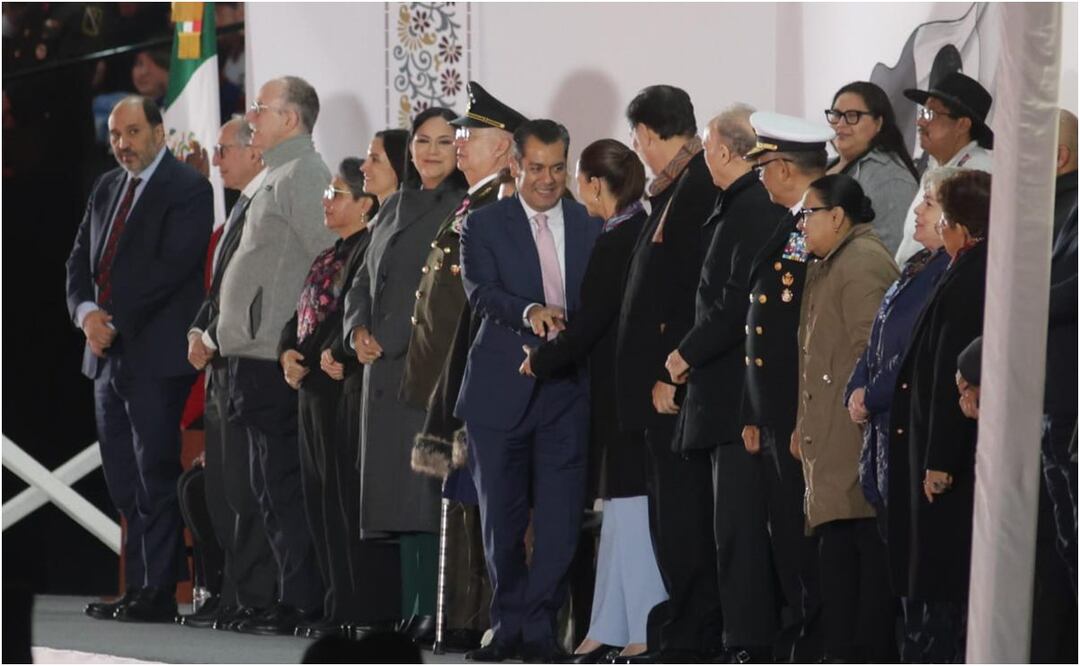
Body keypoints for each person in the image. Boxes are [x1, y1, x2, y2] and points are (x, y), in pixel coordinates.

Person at [455, 119, 601, 663]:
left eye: (557, 168)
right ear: (515, 165)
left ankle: (539, 630)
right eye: (536, 167)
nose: (546, 179)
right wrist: (530, 311)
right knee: (503, 524)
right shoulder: (484, 224)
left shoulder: (589, 225)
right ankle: (509, 623)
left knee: (562, 524)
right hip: (499, 393)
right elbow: (482, 292)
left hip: (566, 391)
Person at [66, 95, 212, 622]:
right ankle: (138, 585)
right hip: (105, 358)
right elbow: (78, 261)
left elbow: (170, 269)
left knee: (154, 472)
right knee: (123, 479)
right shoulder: (106, 187)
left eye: (131, 132)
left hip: (153, 356)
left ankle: (158, 590)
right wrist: (86, 315)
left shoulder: (190, 189)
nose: (122, 145)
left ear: (158, 131)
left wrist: (112, 321)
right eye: (114, 135)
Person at [516, 138, 660, 662]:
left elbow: (594, 321)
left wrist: (543, 359)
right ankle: (610, 621)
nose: (576, 189)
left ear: (597, 184)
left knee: (633, 506)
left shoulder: (618, 238)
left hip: (623, 393)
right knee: (620, 509)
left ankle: (644, 625)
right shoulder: (634, 228)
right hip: (620, 389)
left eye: (578, 178)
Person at [658, 104, 786, 662]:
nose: (702, 154)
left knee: (740, 531)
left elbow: (738, 301)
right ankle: (740, 635)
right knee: (726, 530)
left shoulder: (751, 207)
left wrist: (685, 352)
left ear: (727, 152)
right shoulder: (735, 205)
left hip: (738, 396)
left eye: (707, 144)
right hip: (724, 395)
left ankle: (750, 640)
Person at [407, 82, 527, 652]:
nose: (457, 143)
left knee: (482, 502)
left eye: (468, 135)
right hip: (447, 374)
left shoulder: (499, 206)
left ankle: (475, 613)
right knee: (461, 497)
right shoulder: (472, 201)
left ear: (503, 148)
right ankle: (457, 610)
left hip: (473, 373)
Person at [342, 107, 469, 645]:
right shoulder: (392, 205)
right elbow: (361, 283)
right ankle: (410, 605)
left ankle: (431, 608)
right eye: (423, 141)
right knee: (397, 498)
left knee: (426, 493)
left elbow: (442, 300)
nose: (432, 151)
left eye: (444, 141)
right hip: (379, 370)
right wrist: (356, 330)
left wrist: (389, 339)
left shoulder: (463, 207)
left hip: (426, 369)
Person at [216, 75, 334, 635]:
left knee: (285, 484)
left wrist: (296, 341)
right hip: (252, 356)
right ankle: (290, 595)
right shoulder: (277, 173)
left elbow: (328, 264)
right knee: (268, 486)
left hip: (276, 358)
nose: (251, 117)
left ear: (290, 119)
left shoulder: (306, 173)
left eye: (261, 108)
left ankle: (304, 601)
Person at [612, 85, 719, 663]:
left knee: (684, 517)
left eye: (637, 138)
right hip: (658, 388)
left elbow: (687, 295)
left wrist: (671, 372)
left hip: (673, 390)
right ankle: (683, 621)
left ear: (649, 135)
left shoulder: (697, 186)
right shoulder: (677, 187)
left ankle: (693, 630)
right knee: (670, 515)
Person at [792, 174, 899, 662]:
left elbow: (870, 356)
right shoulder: (831, 261)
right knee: (837, 565)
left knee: (856, 571)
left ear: (837, 216)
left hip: (854, 444)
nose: (801, 225)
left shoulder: (860, 263)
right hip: (831, 444)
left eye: (807, 214)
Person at [740, 111, 832, 662]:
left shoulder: (811, 229)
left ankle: (812, 640)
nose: (759, 178)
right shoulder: (791, 224)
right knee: (786, 534)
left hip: (796, 409)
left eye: (763, 166)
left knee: (803, 536)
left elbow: (803, 330)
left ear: (781, 167)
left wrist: (794, 414)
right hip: (774, 407)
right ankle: (799, 633)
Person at [889, 170, 992, 663]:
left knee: (944, 585)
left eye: (943, 214)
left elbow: (954, 375)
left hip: (947, 458)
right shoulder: (960, 268)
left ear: (962, 226)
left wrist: (939, 460)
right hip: (930, 446)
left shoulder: (972, 277)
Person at [277, 158, 380, 639]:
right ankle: (334, 602)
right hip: (311, 389)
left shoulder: (366, 249)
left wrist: (319, 353)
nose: (327, 200)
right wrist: (285, 354)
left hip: (340, 386)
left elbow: (346, 314)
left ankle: (355, 606)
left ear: (364, 203)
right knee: (318, 500)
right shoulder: (328, 254)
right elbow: (300, 314)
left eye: (337, 193)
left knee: (342, 501)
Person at [182, 117, 277, 631]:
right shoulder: (237, 210)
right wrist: (197, 334)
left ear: (253, 153)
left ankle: (254, 597)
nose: (215, 161)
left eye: (223, 151)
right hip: (218, 364)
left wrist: (215, 337)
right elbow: (217, 291)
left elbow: (253, 290)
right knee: (222, 490)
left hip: (247, 359)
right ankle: (232, 594)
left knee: (246, 490)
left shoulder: (267, 206)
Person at [843, 167, 954, 531]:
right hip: (882, 431)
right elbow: (878, 334)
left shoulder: (947, 273)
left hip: (906, 427)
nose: (918, 211)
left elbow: (912, 349)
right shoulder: (915, 266)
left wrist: (871, 395)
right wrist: (855, 387)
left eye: (930, 203)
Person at [894, 72, 994, 264]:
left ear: (962, 124)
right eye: (922, 112)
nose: (920, 121)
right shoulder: (937, 166)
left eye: (931, 113)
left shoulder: (975, 175)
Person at [824, 81, 919, 255]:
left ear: (878, 123)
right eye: (836, 115)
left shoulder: (891, 179)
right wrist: (792, 267)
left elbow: (890, 257)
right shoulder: (819, 166)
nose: (840, 124)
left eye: (853, 116)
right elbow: (801, 233)